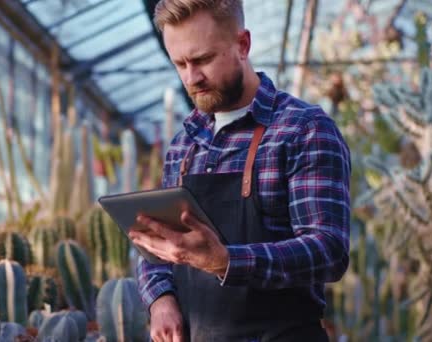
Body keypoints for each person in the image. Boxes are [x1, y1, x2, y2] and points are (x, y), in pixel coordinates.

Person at [128, 0, 351, 341]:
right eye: (180, 63)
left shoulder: (303, 129)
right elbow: (158, 249)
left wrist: (225, 261)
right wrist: (160, 299)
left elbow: (328, 251)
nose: (192, 77)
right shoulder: (184, 145)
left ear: (243, 45)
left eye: (203, 59)